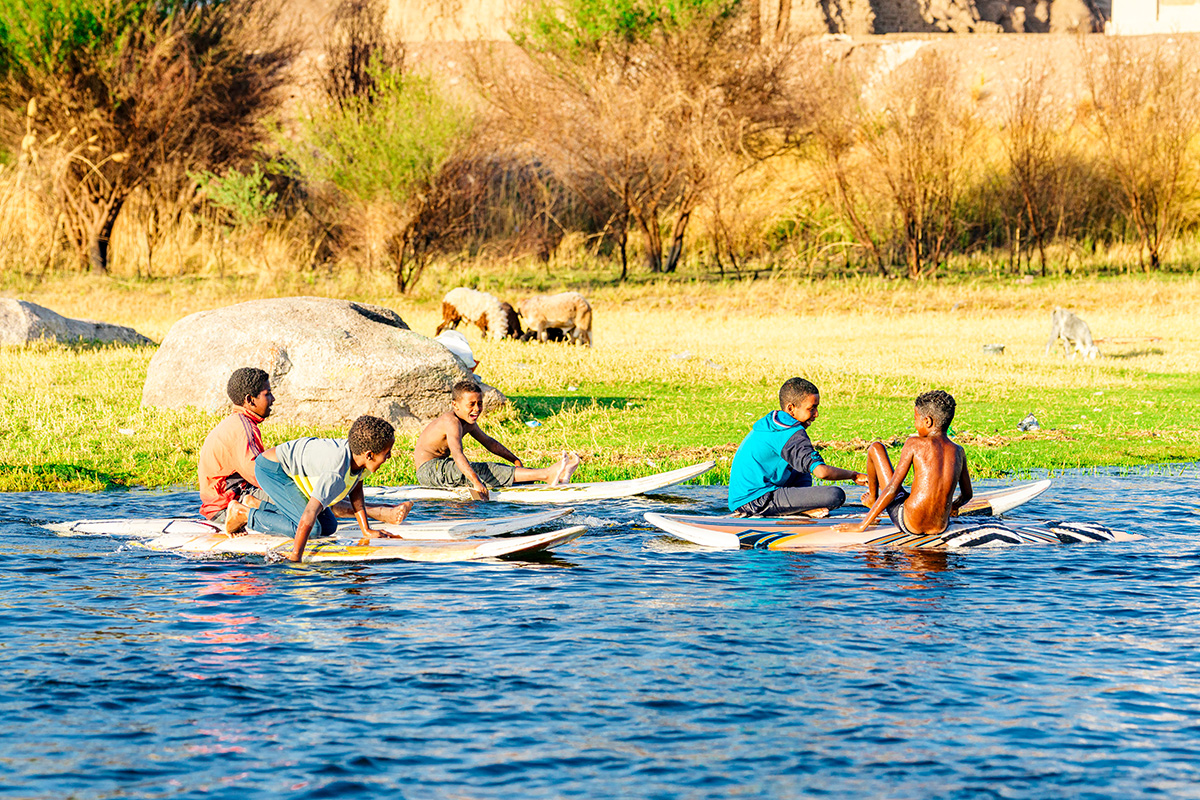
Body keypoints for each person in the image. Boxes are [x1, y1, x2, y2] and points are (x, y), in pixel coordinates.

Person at [198, 367, 411, 526]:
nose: (272, 399)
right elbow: (258, 475)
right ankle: (381, 512)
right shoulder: (241, 429)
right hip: (226, 505)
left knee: (318, 488)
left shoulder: (240, 423)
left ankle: (378, 512)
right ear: (250, 400)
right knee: (309, 494)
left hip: (237, 494)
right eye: (267, 394)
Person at [225, 415, 397, 562]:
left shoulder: (359, 461)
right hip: (273, 470)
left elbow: (356, 491)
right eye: (387, 453)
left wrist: (366, 530)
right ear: (369, 455)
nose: (389, 457)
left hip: (291, 471)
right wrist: (296, 557)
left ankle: (257, 504)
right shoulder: (335, 473)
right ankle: (244, 514)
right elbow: (309, 514)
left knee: (329, 526)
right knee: (313, 529)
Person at [414, 380, 580, 500]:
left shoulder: (468, 422)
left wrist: (514, 459)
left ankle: (555, 476)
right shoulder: (451, 422)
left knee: (498, 469)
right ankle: (546, 474)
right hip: (429, 471)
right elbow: (457, 454)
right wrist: (476, 482)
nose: (476, 409)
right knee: (484, 471)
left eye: (479, 403)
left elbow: (489, 443)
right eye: (471, 404)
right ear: (455, 405)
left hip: (442, 466)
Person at [836, 390, 973, 536]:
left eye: (916, 419)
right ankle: (874, 500)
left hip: (910, 523)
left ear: (927, 421)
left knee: (876, 448)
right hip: (940, 526)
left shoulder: (914, 443)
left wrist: (862, 525)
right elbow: (967, 495)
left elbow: (892, 489)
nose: (915, 424)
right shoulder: (959, 451)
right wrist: (952, 507)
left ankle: (872, 499)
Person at [728, 377, 866, 517]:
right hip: (755, 501)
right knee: (835, 495)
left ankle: (800, 506)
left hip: (752, 497)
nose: (816, 414)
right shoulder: (790, 432)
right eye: (811, 409)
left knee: (802, 468)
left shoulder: (776, 424)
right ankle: (800, 509)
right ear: (791, 408)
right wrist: (853, 475)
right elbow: (821, 472)